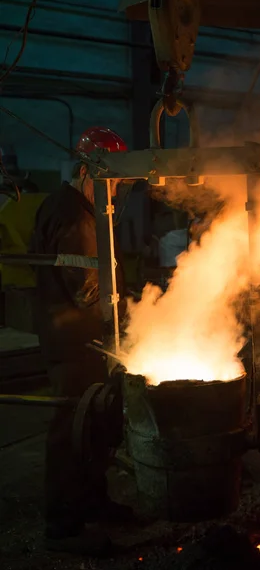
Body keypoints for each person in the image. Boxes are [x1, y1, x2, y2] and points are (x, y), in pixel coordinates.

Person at [30, 127, 131, 555]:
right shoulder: (74, 217)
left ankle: (93, 502)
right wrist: (132, 315)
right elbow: (89, 287)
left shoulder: (73, 208)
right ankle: (63, 527)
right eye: (116, 182)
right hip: (74, 341)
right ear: (93, 171)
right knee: (71, 429)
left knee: (94, 426)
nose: (118, 193)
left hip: (79, 338)